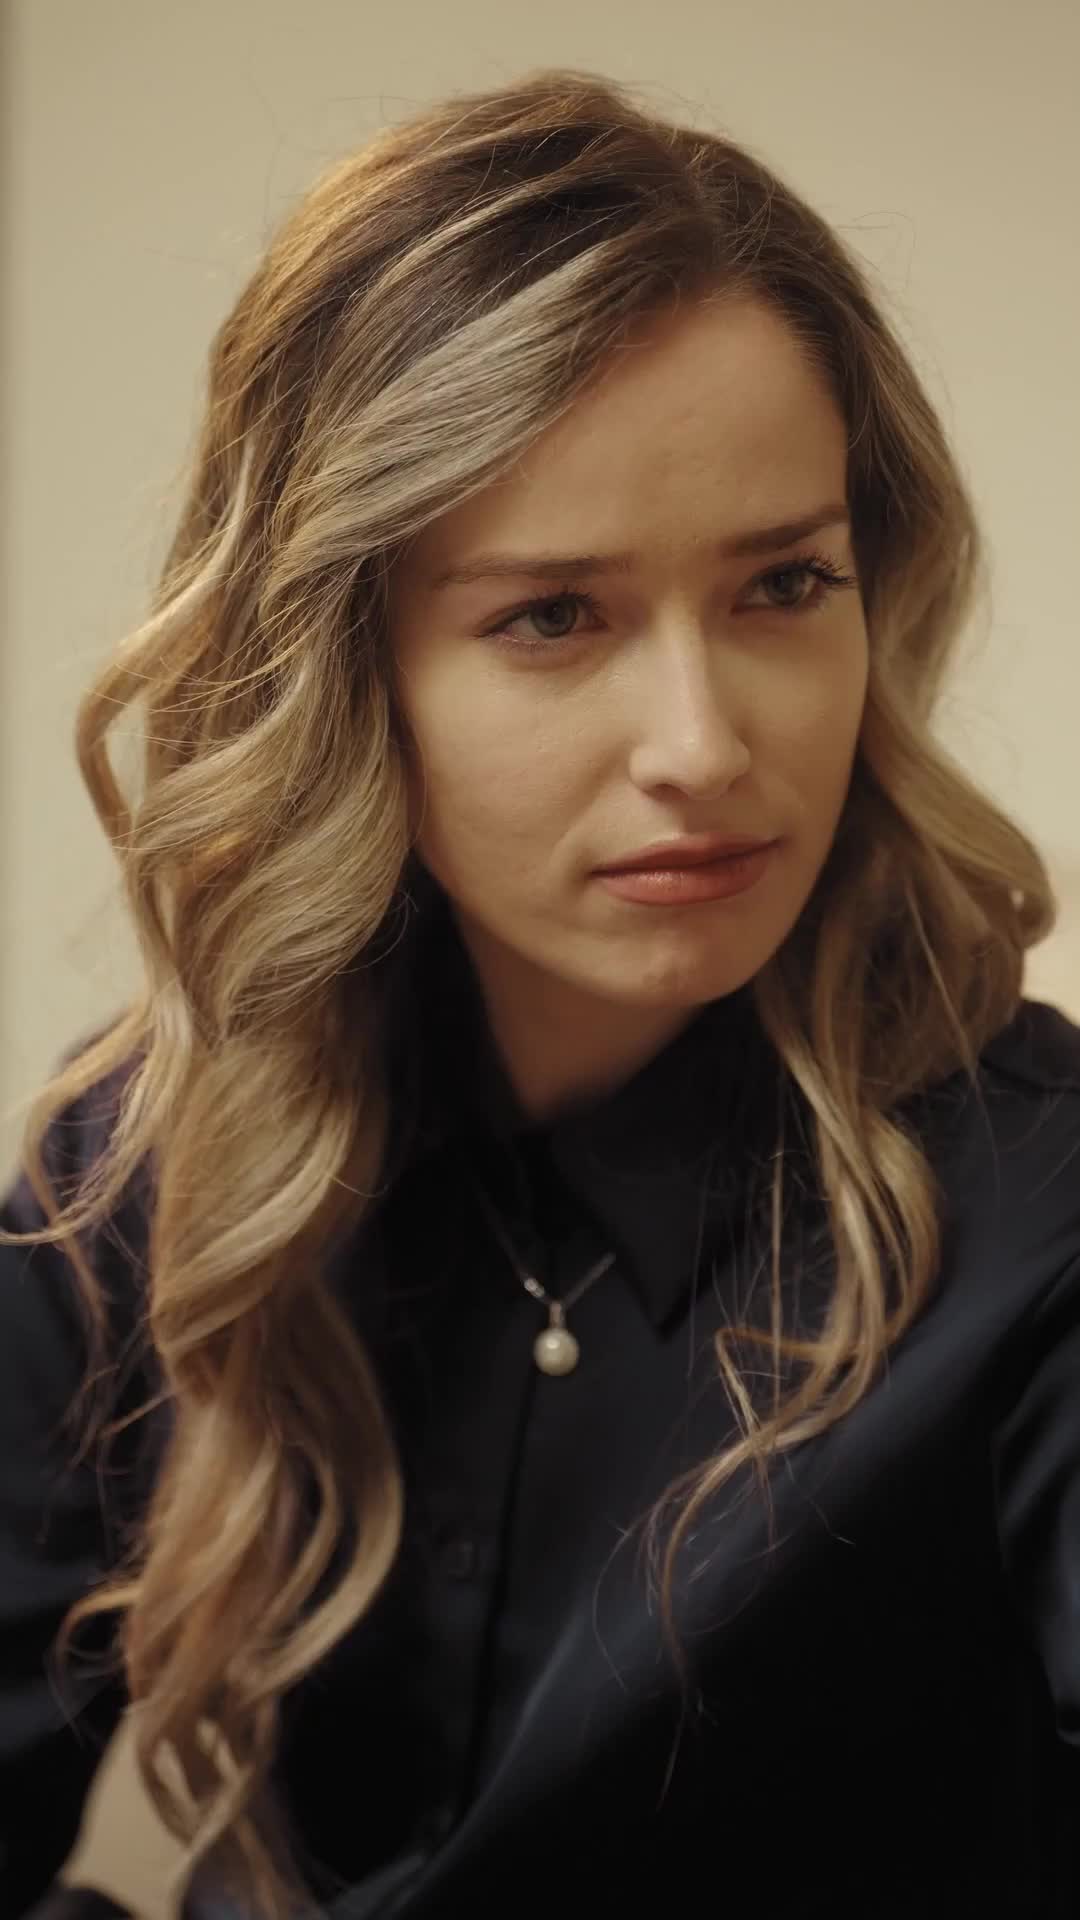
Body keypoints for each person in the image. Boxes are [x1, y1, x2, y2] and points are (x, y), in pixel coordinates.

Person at [2, 63, 1078, 1920]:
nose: (703, 746)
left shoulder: (1037, 1223)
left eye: (783, 585)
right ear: (346, 667)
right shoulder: (143, 1174)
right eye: (553, 616)